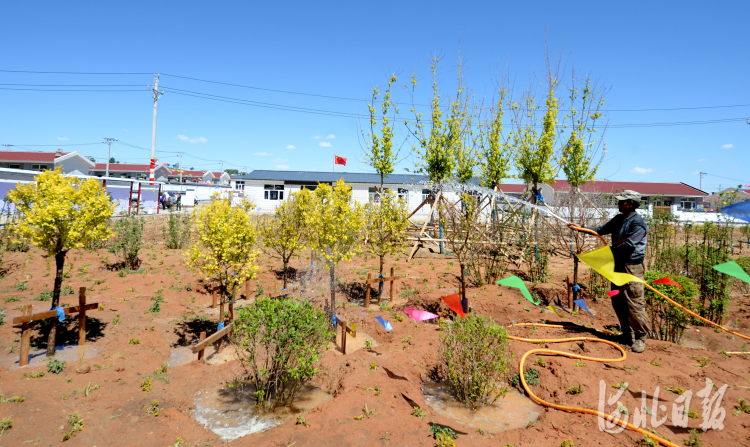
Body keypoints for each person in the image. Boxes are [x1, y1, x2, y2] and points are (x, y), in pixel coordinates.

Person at [569, 190, 650, 353]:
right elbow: (600, 229)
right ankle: (626, 334)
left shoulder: (638, 223)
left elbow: (628, 245)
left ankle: (641, 338)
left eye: (622, 201)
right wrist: (581, 229)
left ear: (631, 204)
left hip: (631, 268)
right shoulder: (619, 219)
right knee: (618, 301)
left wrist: (604, 253)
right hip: (617, 266)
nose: (618, 204)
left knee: (633, 302)